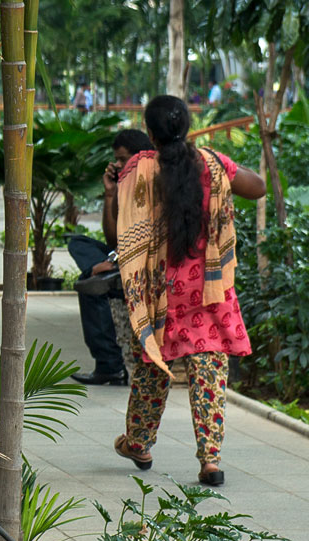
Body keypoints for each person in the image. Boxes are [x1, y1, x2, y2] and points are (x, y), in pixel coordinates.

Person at [111, 95, 266, 486]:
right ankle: (210, 461)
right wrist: (225, 165)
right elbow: (258, 188)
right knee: (209, 372)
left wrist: (111, 192)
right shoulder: (212, 164)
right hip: (208, 290)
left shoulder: (139, 168)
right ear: (188, 127)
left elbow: (117, 233)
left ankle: (139, 442)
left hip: (162, 293)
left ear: (149, 132)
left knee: (152, 367)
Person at [66, 129, 153, 385]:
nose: (116, 164)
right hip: (124, 254)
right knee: (79, 243)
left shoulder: (151, 184)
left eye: (123, 159)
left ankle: (109, 365)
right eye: (116, 159)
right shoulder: (126, 184)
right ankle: (103, 270)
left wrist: (115, 261)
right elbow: (113, 238)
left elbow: (147, 239)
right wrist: (110, 194)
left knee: (90, 285)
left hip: (144, 263)